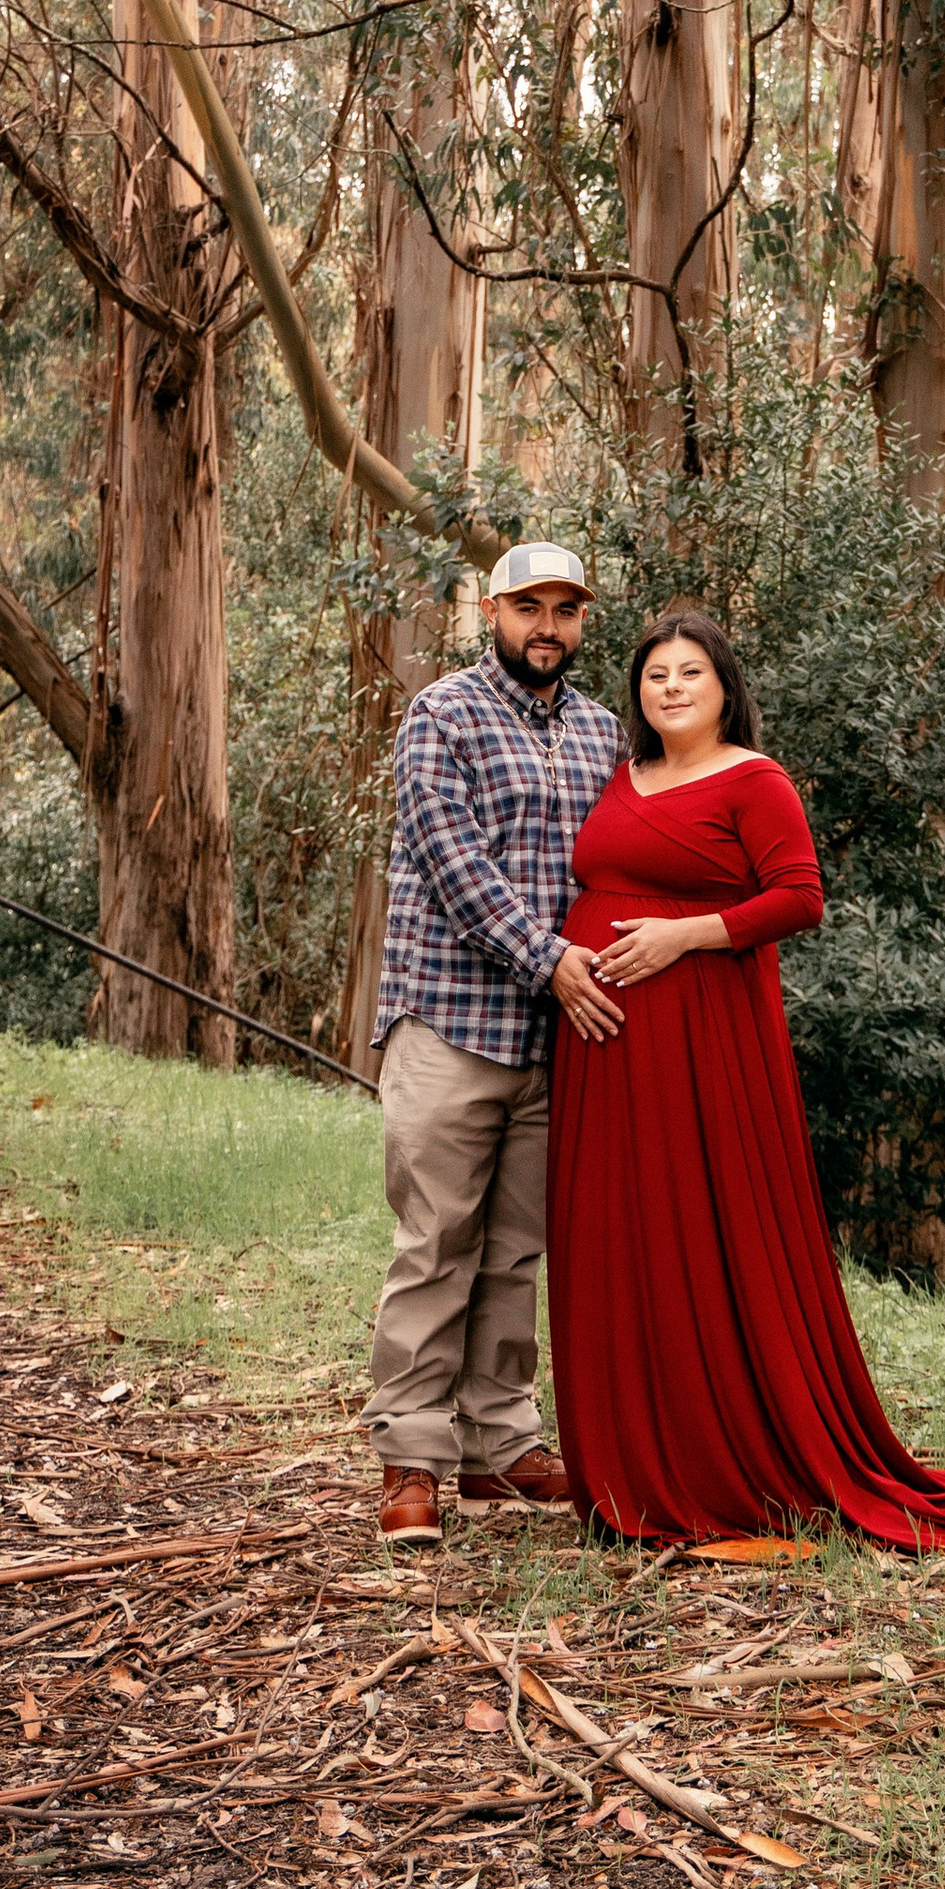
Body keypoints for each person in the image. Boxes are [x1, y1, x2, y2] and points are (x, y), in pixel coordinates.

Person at [549, 603, 945, 1548]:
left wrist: (685, 935)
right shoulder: (623, 775)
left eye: (690, 673)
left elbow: (799, 898)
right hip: (605, 1047)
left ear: (725, 688)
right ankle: (625, 1465)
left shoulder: (754, 781)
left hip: (701, 1044)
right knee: (619, 1234)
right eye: (654, 675)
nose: (670, 688)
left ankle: (716, 1463)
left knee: (697, 1230)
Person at [364, 540, 620, 1548]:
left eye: (565, 610)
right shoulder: (442, 714)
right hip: (451, 1022)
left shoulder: (605, 733)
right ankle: (412, 1459)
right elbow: (451, 858)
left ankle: (498, 1445)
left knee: (516, 1253)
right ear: (492, 613)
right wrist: (549, 958)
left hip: (555, 1041)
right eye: (528, 608)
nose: (546, 627)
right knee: (436, 1244)